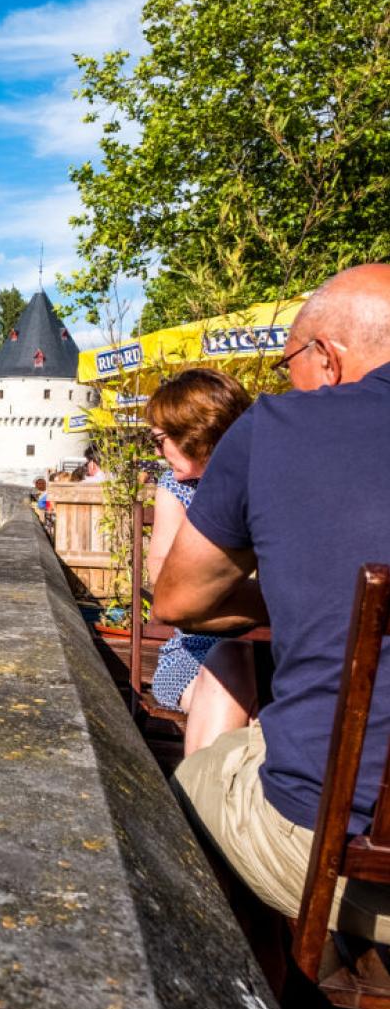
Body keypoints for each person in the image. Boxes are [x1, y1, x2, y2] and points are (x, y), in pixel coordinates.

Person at [155, 264, 390, 940]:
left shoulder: (282, 425)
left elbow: (179, 598)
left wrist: (300, 603)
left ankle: (241, 983)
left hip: (349, 866)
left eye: (290, 363)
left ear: (326, 356)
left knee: (188, 788)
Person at [144, 368, 255, 756]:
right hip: (195, 652)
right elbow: (167, 590)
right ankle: (200, 806)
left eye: (160, 440)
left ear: (194, 432)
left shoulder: (266, 480)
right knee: (234, 664)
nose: (156, 452)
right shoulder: (175, 489)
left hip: (285, 652)